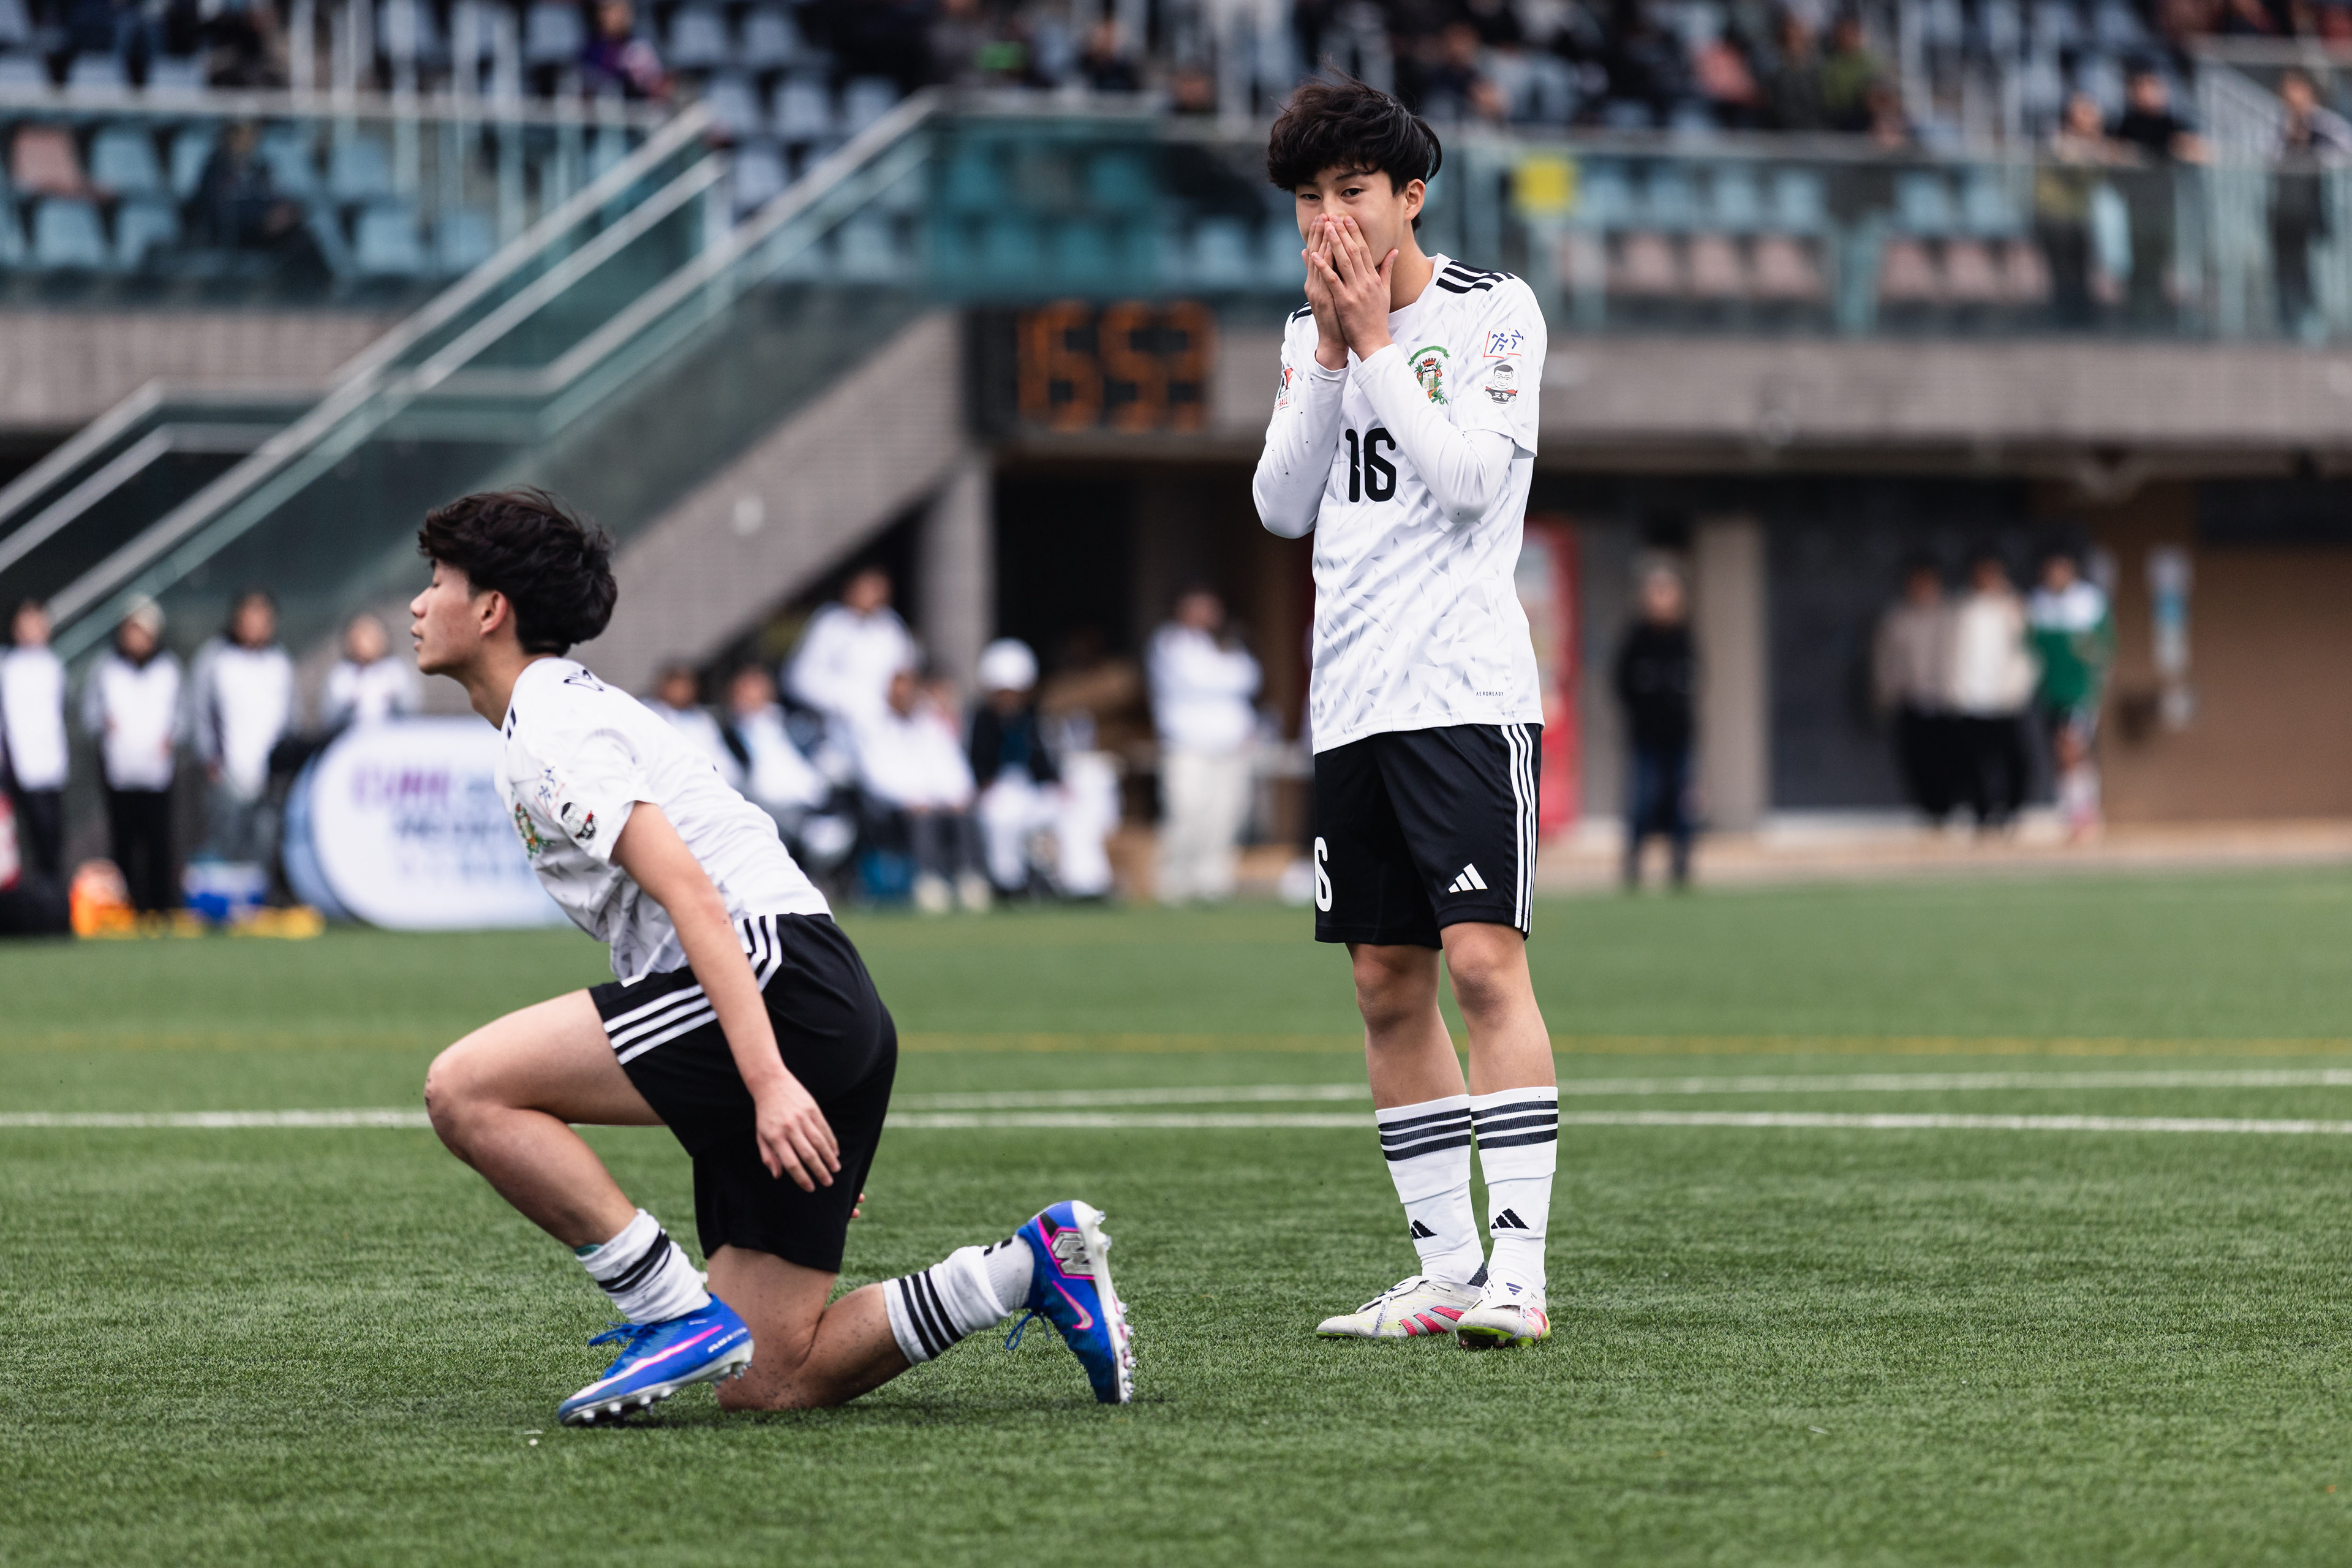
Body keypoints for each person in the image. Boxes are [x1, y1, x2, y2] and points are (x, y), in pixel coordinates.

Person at [409, 489, 1133, 1425]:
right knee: (769, 1380)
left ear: (493, 608)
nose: (420, 604)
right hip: (818, 996)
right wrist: (794, 1078)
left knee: (464, 1088)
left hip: (775, 987)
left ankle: (667, 1310)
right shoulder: (556, 715)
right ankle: (1027, 1269)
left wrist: (773, 1081)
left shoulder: (550, 724)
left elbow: (696, 899)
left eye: (437, 582)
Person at [1253, 79, 1556, 1351]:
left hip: (1464, 694)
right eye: (1312, 199)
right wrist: (1328, 353)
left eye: (1353, 193)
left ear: (1410, 195)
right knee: (1386, 984)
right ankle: (1441, 1268)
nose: (1330, 219)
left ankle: (1521, 1274)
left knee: (1484, 963)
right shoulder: (1301, 334)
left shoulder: (1496, 313)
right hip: (1353, 701)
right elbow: (1279, 505)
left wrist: (1378, 344)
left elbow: (1472, 483)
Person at [1147, 587, 1262, 905]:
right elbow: (1203, 680)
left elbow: (1251, 679)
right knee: (1188, 809)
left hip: (1231, 746)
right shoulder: (1170, 642)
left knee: (1227, 813)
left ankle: (1213, 882)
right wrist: (1227, 673)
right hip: (1188, 745)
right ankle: (1176, 883)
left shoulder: (1230, 643)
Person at [854, 666, 988, 914]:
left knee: (964, 813)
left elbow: (950, 765)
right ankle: (929, 881)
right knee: (923, 817)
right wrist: (912, 798)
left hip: (934, 800)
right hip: (896, 806)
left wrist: (956, 795)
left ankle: (970, 878)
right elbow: (876, 777)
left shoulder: (930, 725)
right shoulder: (873, 728)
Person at [82, 599, 182, 914]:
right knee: (123, 844)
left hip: (157, 771)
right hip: (119, 770)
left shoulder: (169, 669)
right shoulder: (105, 668)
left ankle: (159, 909)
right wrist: (104, 724)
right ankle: (125, 909)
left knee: (159, 843)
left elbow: (184, 716)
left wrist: (173, 737)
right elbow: (90, 714)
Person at [192, 589, 294, 870]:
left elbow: (290, 717)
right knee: (226, 845)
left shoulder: (280, 662)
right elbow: (200, 711)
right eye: (249, 616)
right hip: (227, 774)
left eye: (262, 617)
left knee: (265, 845)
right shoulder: (215, 659)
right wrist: (209, 758)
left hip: (270, 778)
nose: (255, 624)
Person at [719, 663, 853, 876]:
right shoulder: (726, 732)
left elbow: (818, 755)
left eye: (756, 688)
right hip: (766, 803)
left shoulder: (789, 722)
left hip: (812, 798)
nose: (749, 696)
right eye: (744, 690)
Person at [1613, 566, 1697, 886]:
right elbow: (1620, 683)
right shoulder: (1637, 639)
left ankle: (1681, 860)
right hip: (1644, 736)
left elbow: (1694, 681)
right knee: (1641, 798)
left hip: (1680, 736)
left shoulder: (1684, 637)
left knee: (1682, 800)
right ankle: (1634, 861)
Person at [1945, 554, 2038, 830]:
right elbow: (1953, 654)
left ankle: (2011, 812)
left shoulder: (2014, 608)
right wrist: (1955, 689)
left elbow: (2028, 651)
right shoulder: (1963, 609)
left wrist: (2019, 689)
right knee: (1973, 762)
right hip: (1972, 699)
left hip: (2006, 700)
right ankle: (1981, 815)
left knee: (2015, 760)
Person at [2026, 549, 2115, 840]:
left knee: (2070, 747)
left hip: (2080, 691)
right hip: (2052, 693)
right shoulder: (2038, 605)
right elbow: (2029, 649)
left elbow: (2105, 648)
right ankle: (2077, 811)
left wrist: (2093, 665)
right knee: (2064, 753)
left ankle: (2083, 815)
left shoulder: (2088, 604)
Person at [2111, 67, 2205, 328]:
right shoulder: (2127, 123)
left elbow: (2194, 147)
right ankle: (2141, 314)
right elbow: (2114, 152)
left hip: (2165, 203)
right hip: (2138, 203)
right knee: (2141, 262)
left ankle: (2162, 316)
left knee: (2163, 259)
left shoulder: (2171, 122)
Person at [967, 638, 1061, 897]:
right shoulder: (982, 720)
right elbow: (978, 763)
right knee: (1002, 816)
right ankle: (1008, 883)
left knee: (1072, 810)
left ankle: (1081, 882)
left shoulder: (1034, 718)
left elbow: (1044, 761)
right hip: (999, 790)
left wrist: (1056, 783)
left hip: (1031, 790)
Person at [785, 567, 919, 739]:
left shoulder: (892, 628)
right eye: (866, 589)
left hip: (887, 727)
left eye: (878, 590)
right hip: (836, 728)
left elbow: (905, 675)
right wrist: (850, 702)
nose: (873, 595)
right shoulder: (831, 624)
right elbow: (800, 678)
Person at [1872, 563, 1956, 824]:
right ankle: (1930, 815)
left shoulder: (1952, 616)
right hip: (1911, 702)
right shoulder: (1897, 619)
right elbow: (1884, 662)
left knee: (1950, 763)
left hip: (1949, 702)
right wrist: (1887, 694)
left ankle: (1948, 811)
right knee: (1917, 763)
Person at [2271, 70, 2351, 339]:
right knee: (2285, 268)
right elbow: (2264, 152)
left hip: (2315, 208)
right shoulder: (2278, 125)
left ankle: (2318, 325)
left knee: (2318, 268)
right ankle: (2288, 324)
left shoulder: (2325, 125)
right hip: (2284, 209)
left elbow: (2344, 149)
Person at [1, 600, 67, 881]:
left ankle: (50, 901)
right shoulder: (8, 666)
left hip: (50, 766)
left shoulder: (54, 666)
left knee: (51, 839)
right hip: (15, 768)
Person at [321, 612, 421, 731]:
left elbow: (411, 709)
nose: (367, 642)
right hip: (352, 737)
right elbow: (330, 717)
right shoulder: (341, 674)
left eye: (373, 635)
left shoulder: (396, 670)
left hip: (392, 735)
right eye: (361, 635)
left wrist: (393, 698)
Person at [647, 663, 739, 782]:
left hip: (712, 784)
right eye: (677, 686)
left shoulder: (703, 719)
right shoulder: (651, 714)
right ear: (664, 686)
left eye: (686, 686)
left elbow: (722, 759)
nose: (681, 691)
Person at [578, 0, 668, 99]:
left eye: (622, 12)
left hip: (635, 110)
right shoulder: (590, 49)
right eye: (608, 11)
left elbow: (657, 89)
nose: (617, 17)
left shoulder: (640, 49)